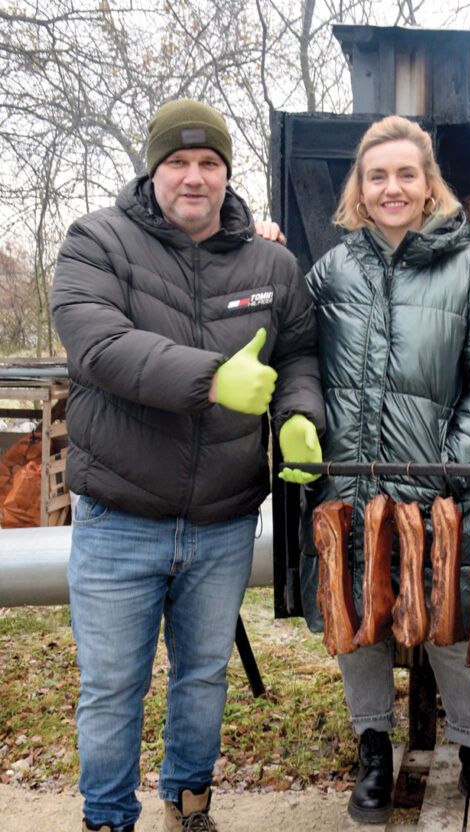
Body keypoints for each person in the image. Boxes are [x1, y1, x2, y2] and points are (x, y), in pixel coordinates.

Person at [50, 99, 325, 832]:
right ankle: (108, 818)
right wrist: (212, 380)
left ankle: (190, 801)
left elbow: (298, 351)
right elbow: (99, 345)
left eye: (209, 163)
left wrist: (299, 416)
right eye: (178, 161)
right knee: (112, 686)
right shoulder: (96, 242)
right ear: (153, 168)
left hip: (223, 520)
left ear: (228, 172)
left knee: (203, 678)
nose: (194, 177)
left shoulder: (271, 262)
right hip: (119, 516)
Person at [302, 115, 470, 825]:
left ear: (430, 187)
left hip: (445, 495)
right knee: (360, 626)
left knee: (451, 631)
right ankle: (374, 751)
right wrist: (263, 247)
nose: (392, 187)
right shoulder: (330, 272)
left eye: (406, 174)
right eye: (377, 176)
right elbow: (290, 345)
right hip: (352, 487)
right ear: (359, 191)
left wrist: (453, 467)